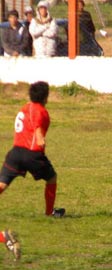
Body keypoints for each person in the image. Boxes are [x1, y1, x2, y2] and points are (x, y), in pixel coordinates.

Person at [0, 81, 66, 217]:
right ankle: (49, 213)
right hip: (31, 154)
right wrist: (40, 140)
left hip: (15, 153)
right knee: (52, 178)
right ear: (45, 97)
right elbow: (37, 128)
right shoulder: (39, 110)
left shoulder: (25, 107)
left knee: (2, 184)